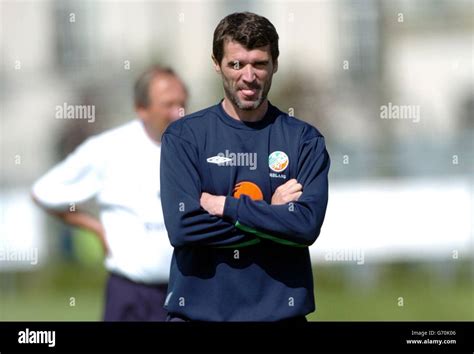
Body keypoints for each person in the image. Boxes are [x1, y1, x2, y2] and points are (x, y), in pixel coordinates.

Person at [160, 12, 330, 322]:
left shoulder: (303, 140)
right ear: (217, 63)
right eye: (236, 64)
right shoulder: (184, 137)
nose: (248, 76)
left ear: (275, 63)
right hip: (197, 317)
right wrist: (271, 210)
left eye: (259, 64)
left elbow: (305, 226)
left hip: (280, 317)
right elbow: (183, 228)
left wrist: (227, 206)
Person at [32, 66, 188, 321]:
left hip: (186, 293)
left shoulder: (196, 145)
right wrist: (95, 227)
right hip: (130, 296)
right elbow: (42, 192)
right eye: (168, 104)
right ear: (141, 108)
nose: (178, 112)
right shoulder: (109, 148)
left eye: (182, 103)